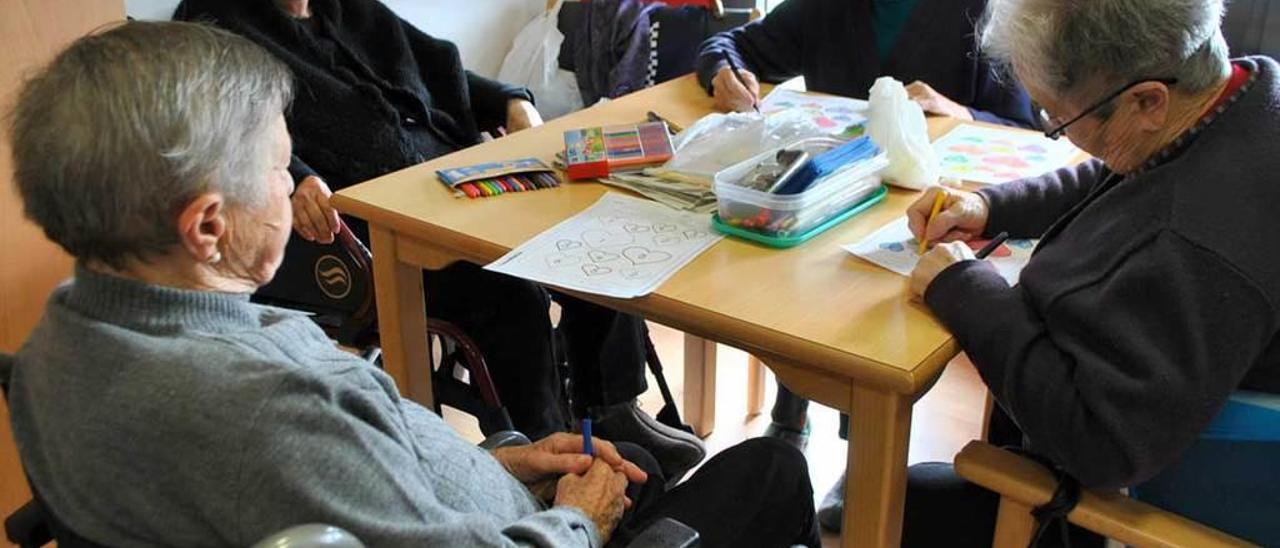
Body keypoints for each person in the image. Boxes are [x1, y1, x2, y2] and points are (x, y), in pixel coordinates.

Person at [4, 21, 820, 548]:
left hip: (477, 502)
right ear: (209, 226)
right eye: (282, 170)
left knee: (632, 453)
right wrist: (582, 521)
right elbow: (309, 460)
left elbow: (363, 487)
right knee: (771, 472)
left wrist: (506, 460)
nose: (291, 184)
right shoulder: (277, 410)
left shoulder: (53, 351)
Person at [172, 0, 706, 480]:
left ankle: (612, 411)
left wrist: (509, 101)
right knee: (509, 293)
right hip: (356, 230)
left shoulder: (345, 9)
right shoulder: (215, 25)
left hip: (447, 184)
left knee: (587, 234)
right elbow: (225, 139)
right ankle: (551, 454)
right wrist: (297, 176)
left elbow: (432, 62)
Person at [901, 0, 1280, 544]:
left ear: (1147, 100)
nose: (1055, 127)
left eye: (1058, 117)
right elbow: (1126, 176)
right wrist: (992, 207)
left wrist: (967, 291)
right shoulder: (1240, 95)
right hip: (1179, 418)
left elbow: (1103, 444)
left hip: (1177, 488)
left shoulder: (1202, 241)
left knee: (916, 502)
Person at [695, 0, 1038, 529]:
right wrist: (723, 72)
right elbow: (733, 44)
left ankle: (861, 450)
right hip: (835, 196)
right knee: (794, 261)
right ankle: (791, 413)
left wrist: (961, 111)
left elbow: (1023, 124)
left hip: (924, 211)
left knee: (871, 304)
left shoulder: (981, 11)